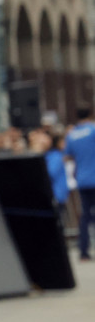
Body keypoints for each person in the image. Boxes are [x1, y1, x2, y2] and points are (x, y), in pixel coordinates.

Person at [65, 108, 95, 260]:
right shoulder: (93, 130)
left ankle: (83, 251)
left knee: (85, 215)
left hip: (82, 179)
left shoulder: (72, 135)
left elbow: (68, 156)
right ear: (91, 114)